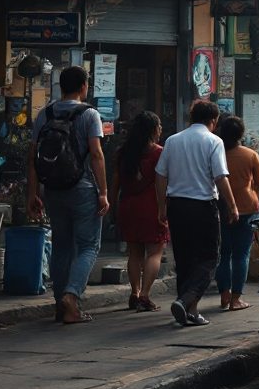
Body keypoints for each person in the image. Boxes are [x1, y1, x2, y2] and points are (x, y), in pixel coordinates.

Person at [26, 65, 107, 325]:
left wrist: (32, 194)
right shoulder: (90, 114)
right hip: (82, 189)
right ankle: (72, 297)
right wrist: (103, 192)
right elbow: (96, 154)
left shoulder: (45, 113)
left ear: (60, 87)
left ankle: (60, 303)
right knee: (88, 246)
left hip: (53, 191)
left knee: (61, 246)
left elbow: (32, 157)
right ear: (84, 87)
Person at [155, 100, 239, 327]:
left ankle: (189, 309)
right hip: (203, 206)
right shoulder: (214, 141)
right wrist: (232, 206)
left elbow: (161, 174)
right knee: (210, 257)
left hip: (177, 206)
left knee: (184, 258)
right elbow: (220, 177)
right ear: (214, 121)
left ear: (191, 118)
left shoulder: (173, 140)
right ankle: (186, 299)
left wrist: (162, 205)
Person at [112, 111, 169, 313]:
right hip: (151, 206)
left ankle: (134, 294)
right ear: (153, 130)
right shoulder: (159, 152)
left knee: (134, 252)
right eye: (159, 126)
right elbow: (164, 181)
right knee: (155, 252)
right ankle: (145, 295)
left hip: (127, 205)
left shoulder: (122, 152)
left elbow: (116, 182)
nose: (161, 130)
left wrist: (113, 205)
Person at [216, 116, 259, 311]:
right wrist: (256, 205)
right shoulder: (251, 155)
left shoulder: (216, 154)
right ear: (241, 134)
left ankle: (224, 295)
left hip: (221, 208)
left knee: (223, 254)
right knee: (241, 255)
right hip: (246, 209)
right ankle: (236, 299)